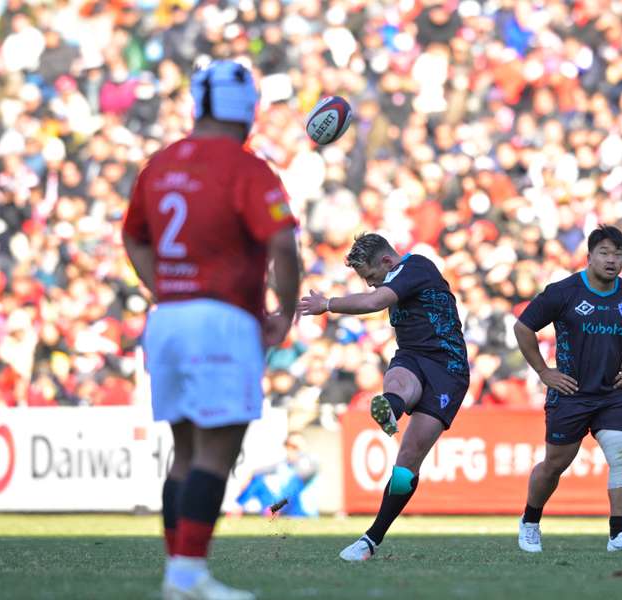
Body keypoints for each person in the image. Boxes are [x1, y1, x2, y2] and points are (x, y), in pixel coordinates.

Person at [122, 59, 300, 600]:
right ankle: (187, 576)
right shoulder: (247, 167)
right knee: (215, 454)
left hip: (169, 318)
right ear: (246, 108)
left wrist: (165, 288)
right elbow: (283, 245)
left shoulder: (159, 163)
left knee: (184, 451)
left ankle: (179, 571)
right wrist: (285, 312)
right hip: (222, 319)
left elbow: (133, 238)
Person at [297, 233, 469, 561]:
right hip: (412, 356)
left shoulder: (417, 265)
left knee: (405, 468)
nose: (371, 285)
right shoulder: (396, 276)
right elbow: (375, 298)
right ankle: (391, 406)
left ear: (388, 263)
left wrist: (328, 305)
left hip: (448, 368)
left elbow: (375, 303)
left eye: (372, 278)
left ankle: (371, 539)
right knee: (398, 382)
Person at [513, 225, 622, 553]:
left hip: (611, 394)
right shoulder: (563, 292)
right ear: (589, 257)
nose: (612, 260)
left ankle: (618, 535)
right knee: (554, 465)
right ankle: (530, 520)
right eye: (605, 253)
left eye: (618, 254)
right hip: (570, 393)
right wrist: (543, 371)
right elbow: (523, 327)